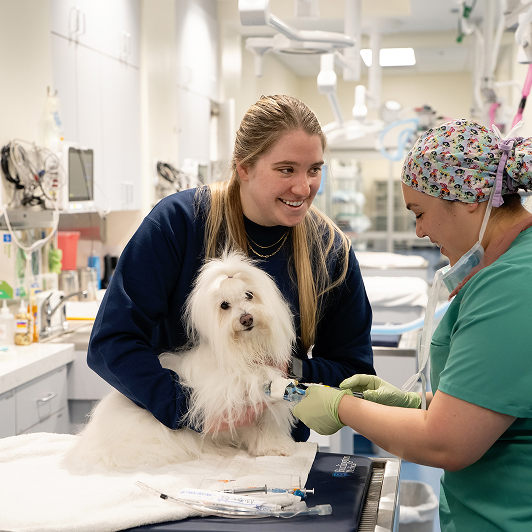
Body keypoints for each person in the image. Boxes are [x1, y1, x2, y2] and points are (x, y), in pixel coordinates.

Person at [88, 94, 375, 442]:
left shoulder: (330, 251)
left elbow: (354, 374)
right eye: (286, 169)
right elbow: (111, 342)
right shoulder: (178, 224)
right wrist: (189, 407)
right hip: (179, 442)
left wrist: (289, 370)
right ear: (244, 168)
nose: (304, 187)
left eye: (314, 169)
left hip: (270, 447)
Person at [293, 119, 532, 531]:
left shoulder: (513, 284)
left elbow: (447, 443)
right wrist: (410, 404)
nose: (420, 231)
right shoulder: (504, 270)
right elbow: (492, 405)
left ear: (470, 199)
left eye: (421, 213)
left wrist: (342, 407)